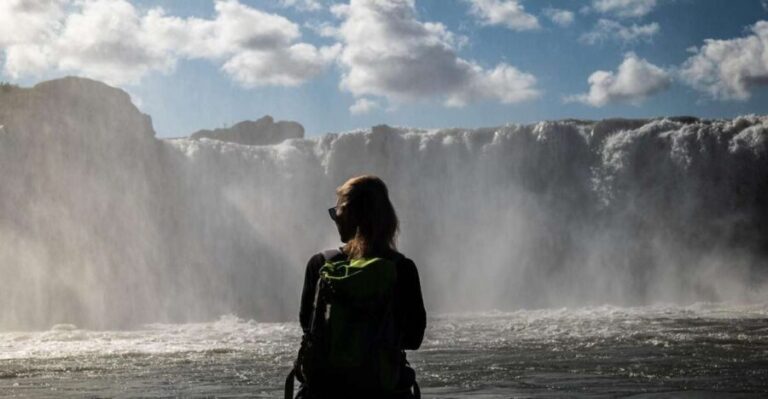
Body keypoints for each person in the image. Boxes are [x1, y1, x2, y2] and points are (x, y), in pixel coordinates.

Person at [291, 175, 427, 399]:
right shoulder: (402, 268)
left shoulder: (321, 264)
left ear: (352, 214)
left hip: (326, 390)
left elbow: (309, 327)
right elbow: (413, 338)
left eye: (337, 212)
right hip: (383, 389)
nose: (335, 218)